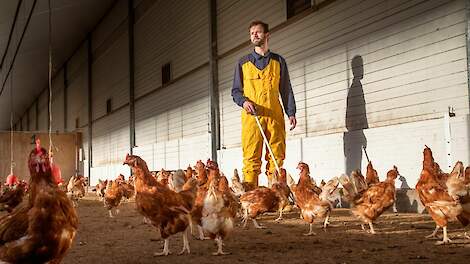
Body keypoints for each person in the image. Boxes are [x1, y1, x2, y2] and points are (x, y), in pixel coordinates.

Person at [231, 20, 296, 188]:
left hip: (274, 115)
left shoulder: (279, 61)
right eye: (252, 33)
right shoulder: (242, 63)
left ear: (267, 35)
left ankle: (275, 197)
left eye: (258, 32)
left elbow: (285, 89)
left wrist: (291, 112)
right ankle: (251, 198)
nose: (254, 35)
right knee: (251, 157)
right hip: (252, 117)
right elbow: (236, 91)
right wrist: (244, 102)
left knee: (276, 156)